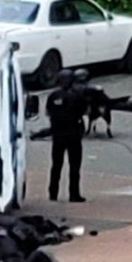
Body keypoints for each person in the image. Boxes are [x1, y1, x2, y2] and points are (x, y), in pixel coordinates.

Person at [44, 70, 87, 202]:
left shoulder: (53, 96)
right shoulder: (77, 96)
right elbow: (84, 110)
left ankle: (53, 193)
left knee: (56, 165)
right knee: (74, 166)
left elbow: (48, 112)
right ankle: (74, 194)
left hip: (57, 134)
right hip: (73, 134)